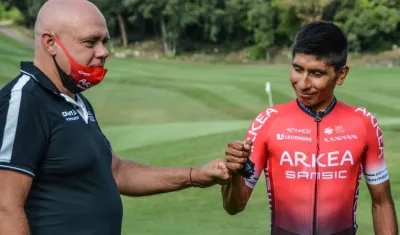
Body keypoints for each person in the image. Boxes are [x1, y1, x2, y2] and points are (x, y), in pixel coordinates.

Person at [0, 1, 245, 234]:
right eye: (90, 42)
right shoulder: (24, 101)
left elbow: (117, 172)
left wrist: (195, 176)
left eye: (104, 41)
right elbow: (6, 208)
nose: (103, 51)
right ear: (50, 42)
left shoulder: (75, 100)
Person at [221, 21, 398, 235]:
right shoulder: (267, 122)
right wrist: (235, 172)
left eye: (316, 73)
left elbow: (382, 203)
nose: (302, 83)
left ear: (341, 75)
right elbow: (234, 206)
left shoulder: (364, 123)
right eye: (297, 69)